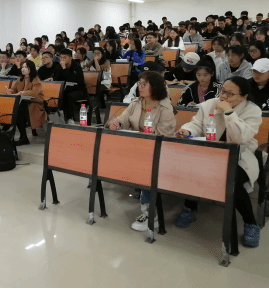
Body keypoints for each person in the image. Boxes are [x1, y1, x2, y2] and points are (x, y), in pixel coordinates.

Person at [176, 77, 262, 247]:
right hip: (211, 152)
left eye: (230, 94)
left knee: (232, 179)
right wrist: (187, 130)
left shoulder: (253, 111)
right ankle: (190, 207)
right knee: (190, 168)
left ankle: (251, 223)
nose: (223, 97)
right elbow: (197, 124)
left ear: (243, 96)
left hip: (240, 155)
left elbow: (240, 138)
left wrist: (229, 112)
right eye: (223, 91)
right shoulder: (210, 104)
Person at [107, 71, 176, 232]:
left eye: (145, 84)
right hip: (137, 147)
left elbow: (164, 137)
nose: (140, 87)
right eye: (139, 83)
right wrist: (116, 123)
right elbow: (123, 118)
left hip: (159, 152)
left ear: (155, 87)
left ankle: (151, 214)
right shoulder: (136, 103)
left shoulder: (165, 108)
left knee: (146, 168)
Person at [6, 61, 47, 146]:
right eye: (23, 67)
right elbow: (14, 89)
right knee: (17, 108)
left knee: (19, 109)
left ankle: (23, 137)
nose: (23, 69)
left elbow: (33, 93)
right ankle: (21, 136)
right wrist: (10, 91)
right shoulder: (20, 79)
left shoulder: (36, 80)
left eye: (26, 67)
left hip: (35, 104)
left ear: (31, 69)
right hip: (24, 103)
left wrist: (21, 93)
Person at [58, 49, 88, 125]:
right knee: (60, 94)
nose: (62, 60)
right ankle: (60, 117)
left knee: (69, 96)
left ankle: (70, 118)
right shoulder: (59, 67)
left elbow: (72, 80)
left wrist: (64, 69)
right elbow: (57, 78)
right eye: (61, 58)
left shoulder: (77, 67)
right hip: (66, 89)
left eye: (64, 57)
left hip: (79, 90)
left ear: (71, 57)